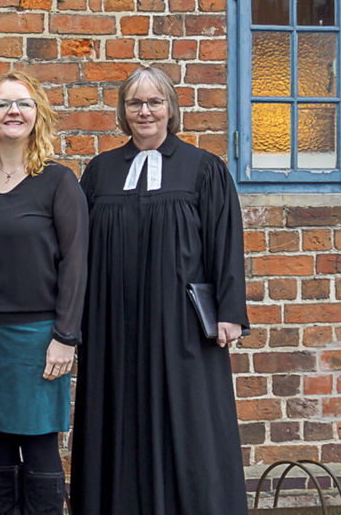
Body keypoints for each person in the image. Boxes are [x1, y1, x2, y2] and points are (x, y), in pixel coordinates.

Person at [69, 66, 250, 515]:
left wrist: (229, 312)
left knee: (189, 424)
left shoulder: (203, 168)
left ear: (170, 108)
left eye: (154, 102)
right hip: (113, 323)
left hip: (180, 325)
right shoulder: (100, 172)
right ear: (123, 111)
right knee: (118, 418)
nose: (144, 111)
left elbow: (225, 242)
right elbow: (76, 250)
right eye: (135, 103)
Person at [0, 72, 87, 515]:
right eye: (2, 104)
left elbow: (75, 263)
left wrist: (65, 336)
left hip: (38, 336)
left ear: (38, 115)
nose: (14, 112)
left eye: (24, 104)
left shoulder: (58, 181)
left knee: (39, 447)